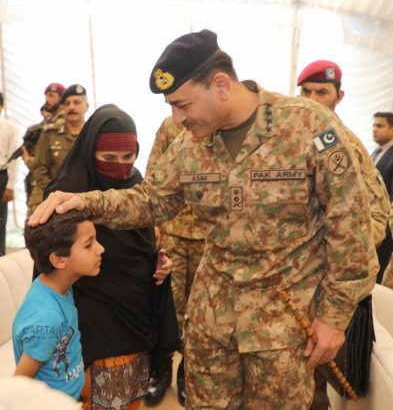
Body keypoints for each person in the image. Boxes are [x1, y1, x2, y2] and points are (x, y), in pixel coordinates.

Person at [29, 29, 378, 409]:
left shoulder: (308, 126)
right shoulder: (190, 145)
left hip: (284, 325)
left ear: (221, 85)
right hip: (212, 323)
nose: (177, 119)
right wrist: (82, 200)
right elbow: (151, 201)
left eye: (182, 104)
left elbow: (351, 227)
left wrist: (334, 317)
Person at [44, 104, 179, 410]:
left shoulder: (135, 185)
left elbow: (145, 243)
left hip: (136, 318)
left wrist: (158, 261)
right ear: (90, 150)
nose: (120, 167)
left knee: (132, 398)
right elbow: (51, 263)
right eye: (109, 159)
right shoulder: (65, 194)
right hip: (92, 323)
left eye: (128, 157)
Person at [297, 60, 390, 409]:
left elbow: (376, 211)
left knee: (312, 371)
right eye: (306, 92)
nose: (312, 99)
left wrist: (348, 248)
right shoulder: (295, 132)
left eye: (322, 92)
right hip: (299, 272)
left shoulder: (334, 140)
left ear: (339, 97)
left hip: (326, 276)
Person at [144, 116, 205, 407]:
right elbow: (154, 177)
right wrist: (153, 224)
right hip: (174, 233)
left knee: (201, 312)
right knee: (170, 306)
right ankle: (162, 368)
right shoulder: (170, 126)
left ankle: (186, 373)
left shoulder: (223, 125)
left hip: (210, 237)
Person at [13, 210, 105, 400]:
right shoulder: (47, 317)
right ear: (59, 259)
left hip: (72, 393)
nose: (101, 248)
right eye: (89, 245)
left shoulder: (58, 286)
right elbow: (19, 382)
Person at [29, 84, 89, 214]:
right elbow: (39, 169)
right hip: (53, 200)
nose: (71, 107)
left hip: (86, 201)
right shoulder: (49, 134)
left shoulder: (93, 134)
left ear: (86, 106)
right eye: (67, 104)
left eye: (77, 102)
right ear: (62, 108)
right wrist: (57, 195)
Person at [371, 112, 393, 283]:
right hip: (371, 220)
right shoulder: (375, 152)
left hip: (386, 224)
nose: (374, 129)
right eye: (374, 125)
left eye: (380, 126)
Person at [0, 92, 19, 256]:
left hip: (1, 177)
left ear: (1, 107)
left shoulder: (9, 128)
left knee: (0, 221)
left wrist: (10, 186)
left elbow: (14, 159)